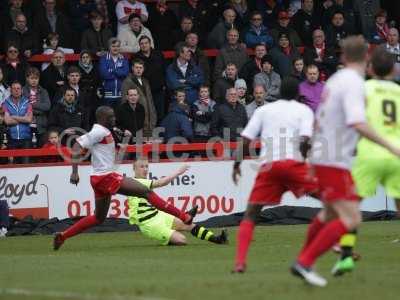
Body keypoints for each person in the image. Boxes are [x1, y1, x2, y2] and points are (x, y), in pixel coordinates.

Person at [291, 36, 400, 287]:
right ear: (367, 58)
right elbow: (357, 122)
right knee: (351, 218)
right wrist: (391, 145)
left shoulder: (334, 80)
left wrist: (310, 154)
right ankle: (305, 262)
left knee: (328, 213)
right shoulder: (353, 82)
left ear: (342, 56)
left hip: (325, 154)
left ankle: (305, 261)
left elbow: (320, 118)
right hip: (335, 158)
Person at [53, 106, 198, 250]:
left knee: (98, 218)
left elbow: (107, 155)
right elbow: (77, 146)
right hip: (105, 177)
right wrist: (74, 172)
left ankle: (63, 236)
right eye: (111, 117)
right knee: (145, 191)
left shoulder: (105, 131)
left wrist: (124, 140)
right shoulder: (98, 131)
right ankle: (184, 217)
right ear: (103, 118)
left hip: (99, 178)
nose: (114, 119)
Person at [232, 77, 317, 274]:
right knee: (330, 200)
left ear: (278, 94)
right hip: (293, 164)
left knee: (251, 213)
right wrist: (303, 160)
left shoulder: (263, 110)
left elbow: (245, 140)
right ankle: (341, 245)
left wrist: (236, 164)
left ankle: (240, 262)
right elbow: (305, 140)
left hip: (269, 166)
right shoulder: (304, 110)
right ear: (297, 94)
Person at [349, 47, 400, 268]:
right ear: (393, 70)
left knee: (352, 204)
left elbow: (353, 120)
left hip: (370, 152)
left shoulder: (364, 88)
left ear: (370, 69)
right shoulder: (398, 92)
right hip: (397, 152)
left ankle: (346, 250)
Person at [128, 158, 228, 245]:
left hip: (158, 215)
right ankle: (167, 234)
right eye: (141, 167)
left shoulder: (141, 182)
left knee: (189, 225)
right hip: (149, 224)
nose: (145, 169)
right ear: (134, 169)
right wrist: (179, 172)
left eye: (146, 166)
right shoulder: (136, 182)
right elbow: (161, 182)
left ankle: (217, 239)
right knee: (182, 240)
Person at [121, 58, 157, 137]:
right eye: (136, 67)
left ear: (143, 69)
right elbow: (124, 101)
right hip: (136, 120)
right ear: (132, 68)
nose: (138, 70)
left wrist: (153, 118)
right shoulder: (127, 81)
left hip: (149, 119)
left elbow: (150, 101)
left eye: (140, 68)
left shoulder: (145, 81)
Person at [2, 81, 33, 163]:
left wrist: (13, 116)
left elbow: (29, 119)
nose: (16, 90)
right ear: (11, 91)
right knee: (12, 164)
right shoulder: (5, 103)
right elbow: (7, 121)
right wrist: (23, 118)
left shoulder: (27, 102)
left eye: (18, 88)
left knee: (26, 164)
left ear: (21, 90)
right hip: (11, 139)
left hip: (26, 138)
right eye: (14, 88)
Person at [22, 67, 51, 146]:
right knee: (27, 150)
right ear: (27, 78)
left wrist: (32, 104)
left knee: (41, 150)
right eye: (32, 78)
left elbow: (47, 106)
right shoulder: (22, 91)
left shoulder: (43, 91)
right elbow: (23, 107)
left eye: (36, 78)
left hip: (41, 125)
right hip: (26, 126)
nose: (34, 80)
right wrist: (38, 108)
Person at [98, 38, 129, 109]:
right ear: (109, 47)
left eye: (118, 46)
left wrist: (112, 70)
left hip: (121, 94)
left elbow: (125, 73)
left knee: (119, 118)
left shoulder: (124, 59)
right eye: (113, 46)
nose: (116, 48)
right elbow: (104, 74)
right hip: (108, 95)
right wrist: (119, 71)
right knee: (107, 117)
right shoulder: (104, 59)